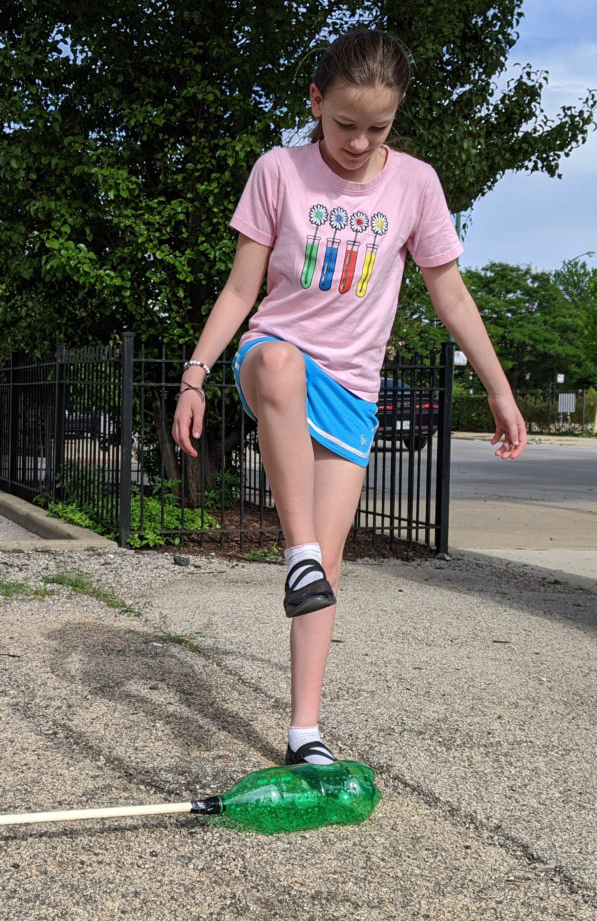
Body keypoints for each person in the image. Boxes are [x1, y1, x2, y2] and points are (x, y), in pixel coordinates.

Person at [171, 27, 526, 767]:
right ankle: (295, 549)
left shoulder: (416, 186)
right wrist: (195, 374)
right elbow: (243, 288)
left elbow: (450, 292)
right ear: (315, 102)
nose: (359, 144)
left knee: (325, 582)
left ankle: (305, 733)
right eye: (343, 125)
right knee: (278, 365)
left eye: (378, 129)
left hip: (353, 392)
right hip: (277, 360)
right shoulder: (280, 171)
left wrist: (498, 389)